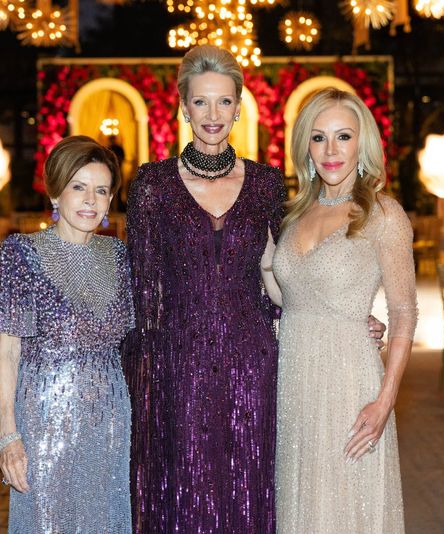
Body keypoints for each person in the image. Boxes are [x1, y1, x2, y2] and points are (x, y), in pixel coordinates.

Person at [123, 45, 386, 533]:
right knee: (184, 494)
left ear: (239, 107)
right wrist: (139, 383)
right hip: (178, 367)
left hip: (254, 365)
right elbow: (140, 291)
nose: (213, 114)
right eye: (201, 102)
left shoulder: (266, 185)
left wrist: (345, 317)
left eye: (224, 101)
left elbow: (284, 272)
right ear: (183, 107)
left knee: (248, 490)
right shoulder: (152, 186)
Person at [262, 88, 418, 533]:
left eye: (343, 136)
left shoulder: (383, 215)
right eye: (319, 138)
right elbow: (289, 298)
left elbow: (404, 312)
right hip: (295, 383)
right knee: (303, 506)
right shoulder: (295, 214)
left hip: (349, 381)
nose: (331, 150)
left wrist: (385, 400)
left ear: (361, 143)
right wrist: (264, 259)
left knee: (347, 506)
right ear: (306, 147)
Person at [0, 135, 134, 533]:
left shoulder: (120, 256)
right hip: (44, 421)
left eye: (101, 190)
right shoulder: (21, 254)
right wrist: (8, 436)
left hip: (110, 420)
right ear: (55, 193)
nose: (90, 200)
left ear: (111, 199)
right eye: (78, 187)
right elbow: (8, 354)